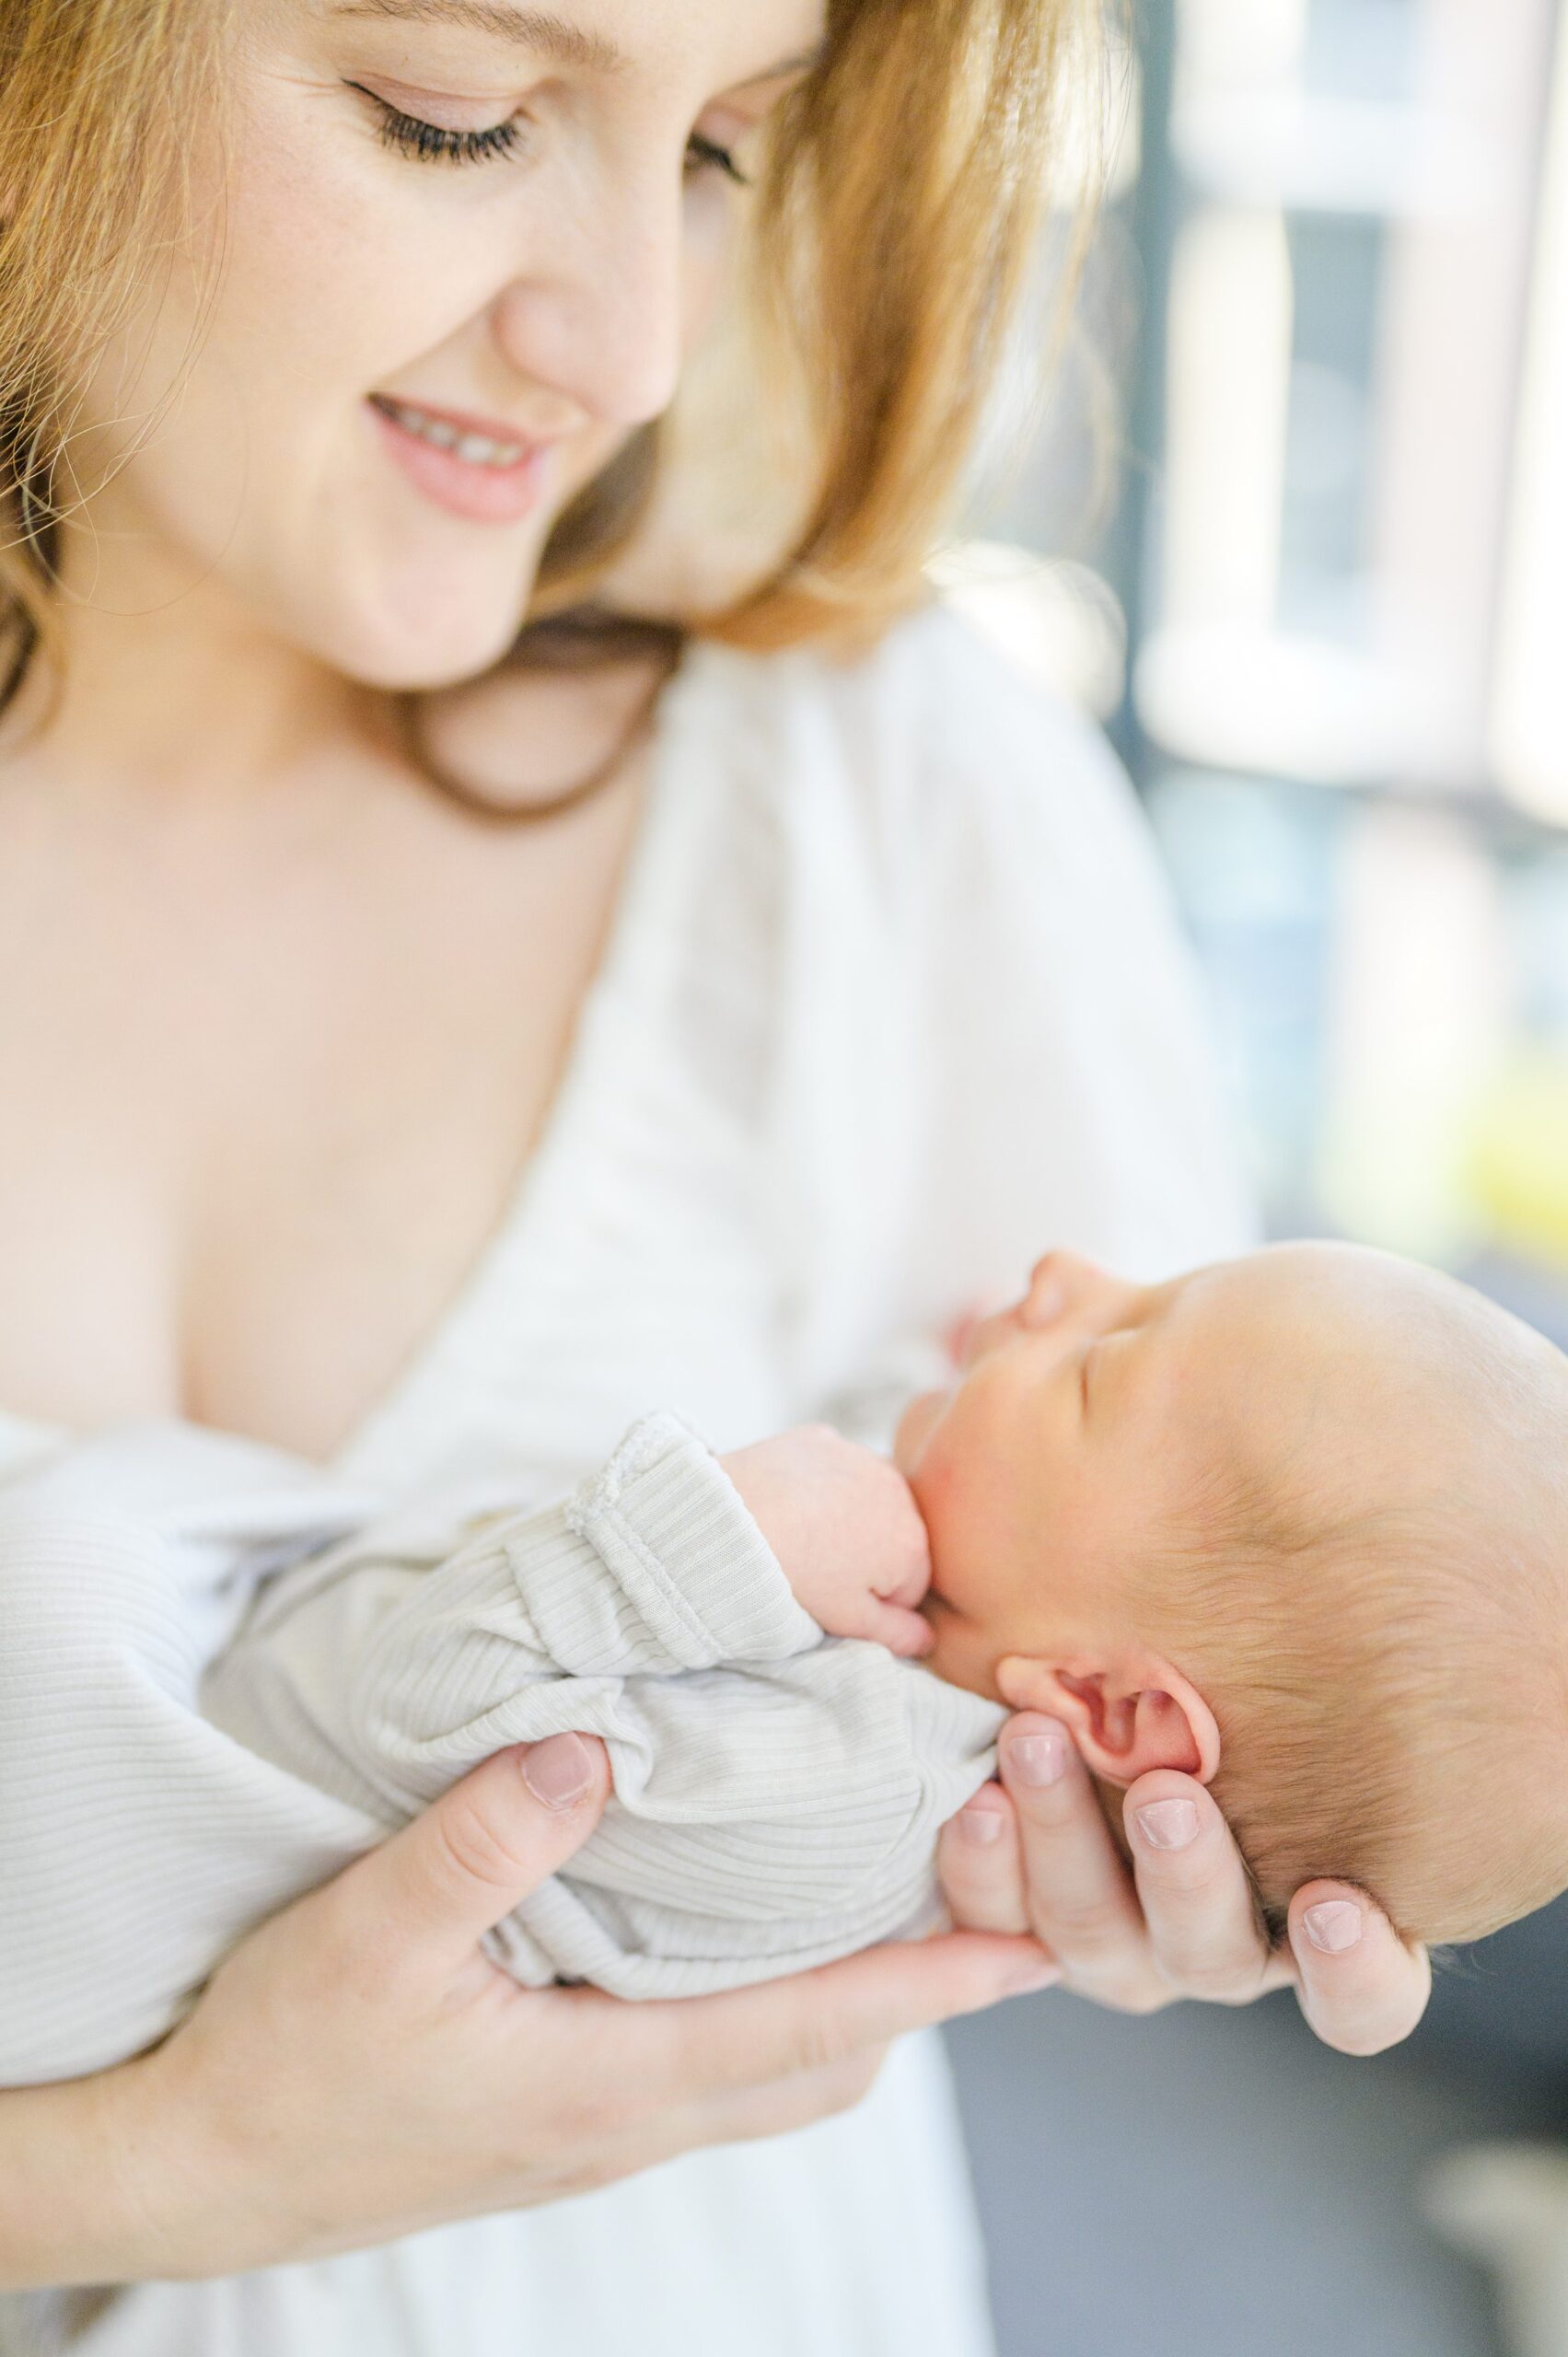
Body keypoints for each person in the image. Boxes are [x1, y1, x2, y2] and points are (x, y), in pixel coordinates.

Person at [0, 0, 1432, 2351]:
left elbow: (1308, 1607)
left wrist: (1218, 1842)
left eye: (723, 152)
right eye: (446, 118)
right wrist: (160, 2168)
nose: (632, 352)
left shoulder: (884, 799)